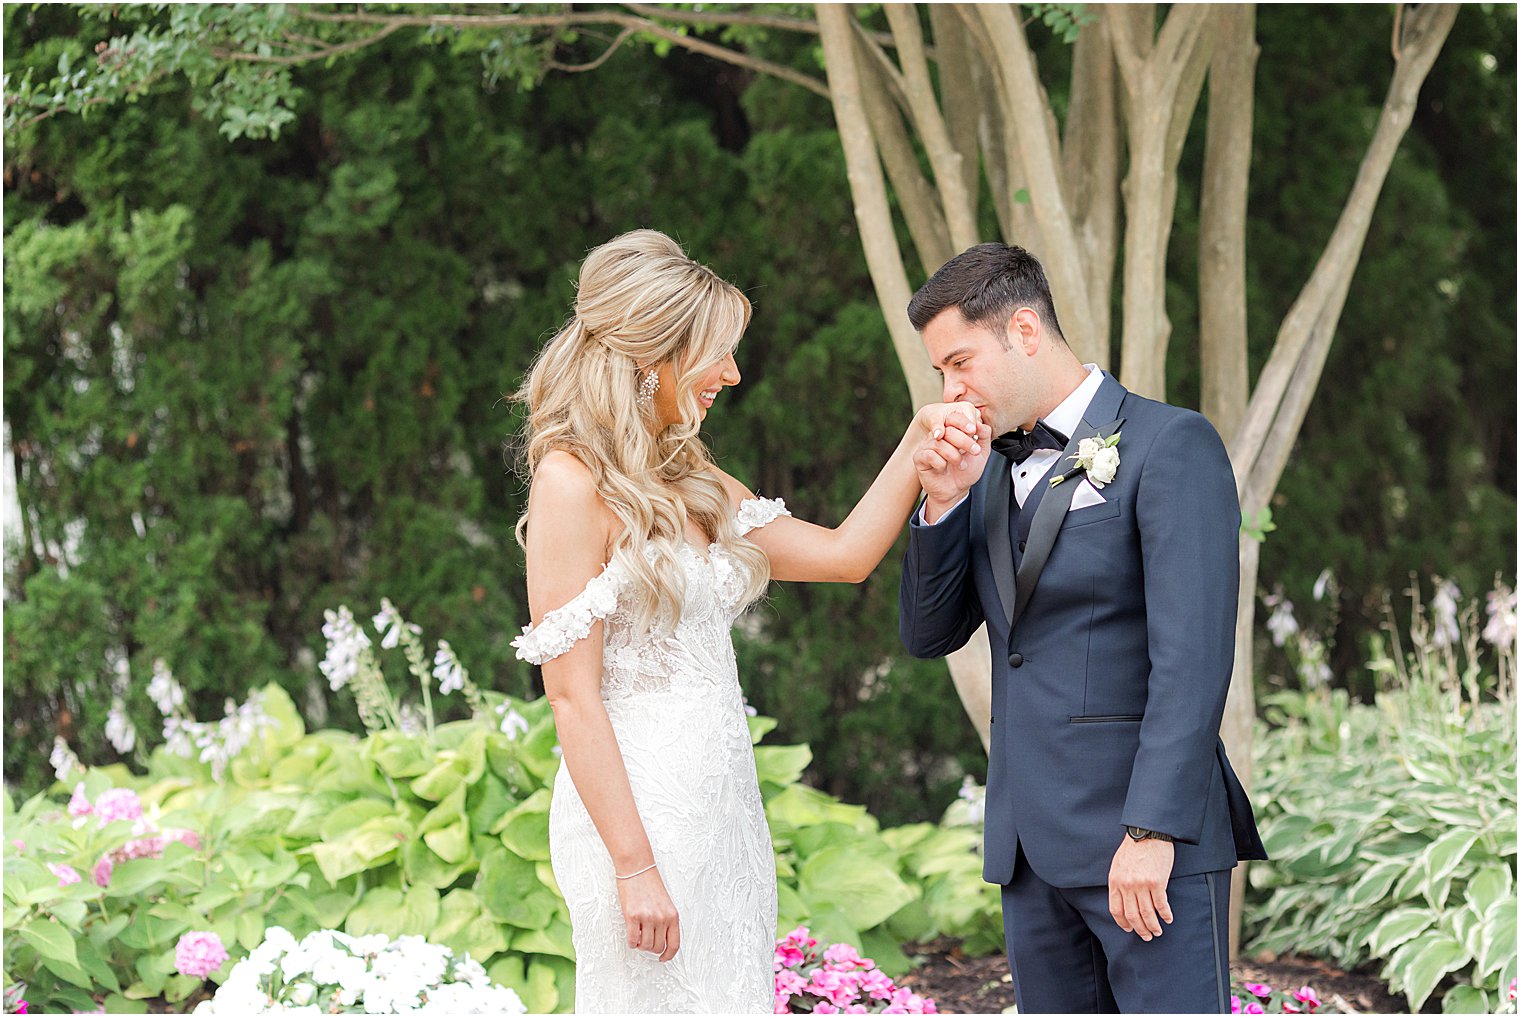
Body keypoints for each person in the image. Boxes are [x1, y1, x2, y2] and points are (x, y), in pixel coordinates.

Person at [511, 229, 981, 1013]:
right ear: (651, 353)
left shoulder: (686, 474)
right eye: (716, 353)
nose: (732, 373)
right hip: (640, 821)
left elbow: (843, 555)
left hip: (723, 809)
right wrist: (634, 865)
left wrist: (919, 437)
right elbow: (572, 698)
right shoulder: (568, 481)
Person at [898, 242, 1267, 1014]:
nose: (949, 390)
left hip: (1145, 846)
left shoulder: (1172, 445)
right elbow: (930, 632)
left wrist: (1151, 831)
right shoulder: (987, 470)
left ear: (1025, 330)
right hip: (1030, 850)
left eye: (960, 362)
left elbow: (1192, 659)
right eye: (940, 372)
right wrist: (941, 504)